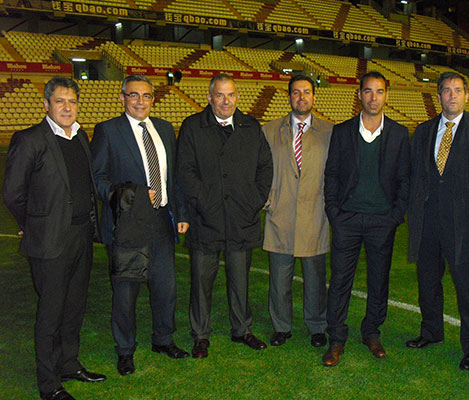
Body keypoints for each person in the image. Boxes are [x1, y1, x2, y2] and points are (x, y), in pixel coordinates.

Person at [4, 77, 106, 400]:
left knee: (75, 307)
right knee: (50, 313)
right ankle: (48, 384)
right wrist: (31, 224)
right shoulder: (30, 139)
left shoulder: (81, 138)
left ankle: (69, 363)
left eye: (72, 102)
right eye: (60, 101)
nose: (67, 107)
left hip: (81, 236)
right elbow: (13, 194)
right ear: (46, 105)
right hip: (49, 241)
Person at [91, 74, 190, 377]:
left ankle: (163, 339)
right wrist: (128, 194)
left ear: (153, 99)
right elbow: (97, 179)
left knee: (165, 287)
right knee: (126, 292)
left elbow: (173, 178)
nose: (140, 101)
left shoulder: (163, 129)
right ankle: (125, 350)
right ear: (122, 98)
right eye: (133, 95)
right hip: (127, 225)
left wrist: (181, 212)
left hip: (161, 220)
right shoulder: (108, 131)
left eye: (146, 96)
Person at [177, 73, 273, 359]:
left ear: (237, 97)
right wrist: (204, 202)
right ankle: (200, 334)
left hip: (241, 218)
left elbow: (265, 168)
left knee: (240, 279)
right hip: (206, 219)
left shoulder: (251, 127)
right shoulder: (193, 127)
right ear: (209, 97)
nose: (225, 100)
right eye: (219, 95)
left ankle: (242, 329)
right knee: (201, 281)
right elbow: (185, 172)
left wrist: (253, 201)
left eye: (230, 95)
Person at [406, 72, 469, 370]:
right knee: (428, 281)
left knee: (468, 286)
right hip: (429, 219)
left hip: (465, 222)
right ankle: (431, 332)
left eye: (458, 90)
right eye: (446, 91)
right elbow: (416, 175)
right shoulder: (423, 131)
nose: (452, 96)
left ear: (467, 96)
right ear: (439, 95)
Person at [322, 71, 410, 367]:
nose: (374, 97)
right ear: (358, 95)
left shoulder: (398, 134)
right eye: (368, 91)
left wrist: (395, 215)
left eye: (380, 91)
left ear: (387, 95)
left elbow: (405, 179)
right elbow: (331, 174)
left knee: (378, 280)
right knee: (340, 282)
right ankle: (336, 338)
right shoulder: (342, 131)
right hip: (347, 219)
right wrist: (334, 211)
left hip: (382, 221)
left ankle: (371, 332)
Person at [262, 75, 333, 348]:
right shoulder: (269, 131)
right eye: (295, 93)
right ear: (289, 97)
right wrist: (268, 199)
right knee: (279, 279)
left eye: (306, 92)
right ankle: (281, 326)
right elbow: (261, 171)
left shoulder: (329, 132)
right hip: (281, 215)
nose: (301, 97)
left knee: (315, 279)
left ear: (314, 97)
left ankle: (317, 326)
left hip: (315, 216)